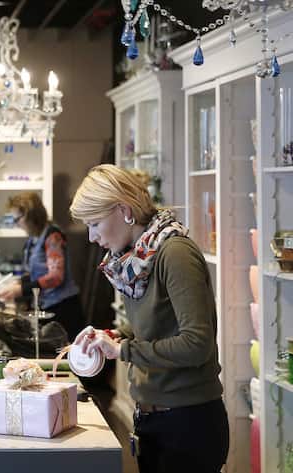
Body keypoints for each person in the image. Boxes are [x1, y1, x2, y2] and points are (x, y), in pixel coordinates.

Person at [69, 164, 228, 472]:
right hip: (154, 419)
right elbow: (155, 325)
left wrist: (124, 351)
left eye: (95, 224)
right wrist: (113, 337)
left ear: (124, 210)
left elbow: (197, 344)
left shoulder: (175, 254)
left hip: (188, 424)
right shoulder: (137, 260)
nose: (91, 237)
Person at [0, 192, 83, 340]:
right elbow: (38, 273)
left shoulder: (53, 236)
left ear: (31, 215)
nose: (16, 224)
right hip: (47, 305)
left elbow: (56, 277)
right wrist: (19, 282)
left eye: (18, 219)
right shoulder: (33, 239)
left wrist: (21, 289)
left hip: (63, 309)